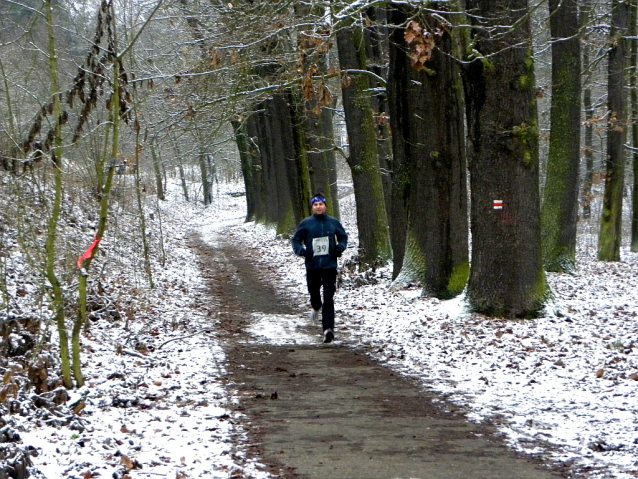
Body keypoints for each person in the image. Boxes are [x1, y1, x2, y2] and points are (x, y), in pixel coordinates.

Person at [291, 193, 348, 343]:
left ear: (325, 206)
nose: (318, 207)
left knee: (329, 297)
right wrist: (302, 251)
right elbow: (296, 240)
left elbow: (343, 237)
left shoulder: (333, 223)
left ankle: (328, 329)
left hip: (329, 265)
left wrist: (339, 248)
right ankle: (316, 306)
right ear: (312, 207)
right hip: (313, 266)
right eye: (315, 205)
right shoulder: (306, 223)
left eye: (321, 204)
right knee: (315, 294)